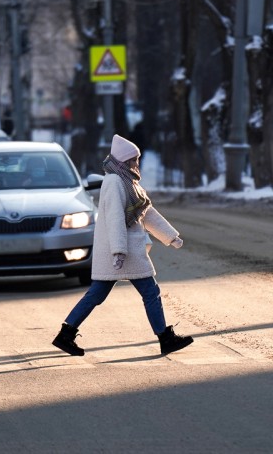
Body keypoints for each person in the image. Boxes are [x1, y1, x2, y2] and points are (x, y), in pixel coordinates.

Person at [52, 134, 194, 357]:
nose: (137, 164)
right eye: (134, 160)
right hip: (122, 251)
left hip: (124, 250)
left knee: (97, 295)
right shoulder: (115, 182)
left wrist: (169, 236)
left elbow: (146, 212)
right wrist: (119, 250)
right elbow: (115, 218)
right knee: (149, 291)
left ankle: (66, 334)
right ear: (124, 161)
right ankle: (165, 338)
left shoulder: (129, 182)